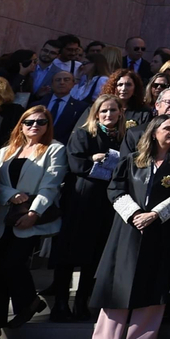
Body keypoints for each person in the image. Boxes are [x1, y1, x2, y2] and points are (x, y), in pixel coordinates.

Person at [88, 114, 170, 339]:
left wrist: (155, 214)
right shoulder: (132, 160)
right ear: (154, 132)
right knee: (118, 283)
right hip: (128, 229)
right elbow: (115, 188)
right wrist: (135, 214)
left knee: (153, 283)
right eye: (167, 128)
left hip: (161, 229)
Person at [0, 106, 67, 339]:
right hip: (2, 218)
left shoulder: (54, 149)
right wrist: (11, 194)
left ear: (48, 126)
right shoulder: (5, 151)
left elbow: (51, 184)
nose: (35, 126)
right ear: (21, 125)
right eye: (29, 122)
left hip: (29, 218)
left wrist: (34, 213)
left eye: (41, 122)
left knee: (12, 265)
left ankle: (30, 301)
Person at [49, 95, 128, 321]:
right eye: (103, 111)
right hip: (81, 200)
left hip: (107, 203)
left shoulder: (124, 137)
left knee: (94, 254)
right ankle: (61, 303)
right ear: (96, 113)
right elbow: (76, 164)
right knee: (69, 252)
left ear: (120, 112)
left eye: (113, 110)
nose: (108, 114)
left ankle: (82, 301)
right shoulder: (83, 133)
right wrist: (94, 160)